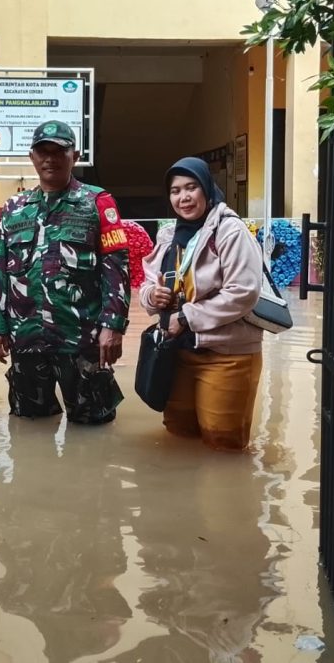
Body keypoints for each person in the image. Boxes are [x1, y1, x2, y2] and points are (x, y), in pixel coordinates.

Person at [0, 121, 130, 424]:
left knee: (93, 427)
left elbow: (116, 268)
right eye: (43, 151)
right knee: (29, 429)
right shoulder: (14, 208)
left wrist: (113, 325)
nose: (50, 158)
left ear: (75, 156)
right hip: (26, 338)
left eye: (59, 151)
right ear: (32, 157)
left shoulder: (97, 202)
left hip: (82, 339)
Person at [139, 156, 264, 451]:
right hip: (177, 353)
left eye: (191, 187)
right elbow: (147, 282)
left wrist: (185, 317)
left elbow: (244, 292)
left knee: (223, 444)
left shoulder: (230, 231)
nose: (183, 197)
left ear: (207, 188)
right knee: (178, 434)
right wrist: (152, 296)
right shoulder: (168, 235)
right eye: (175, 191)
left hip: (226, 354)